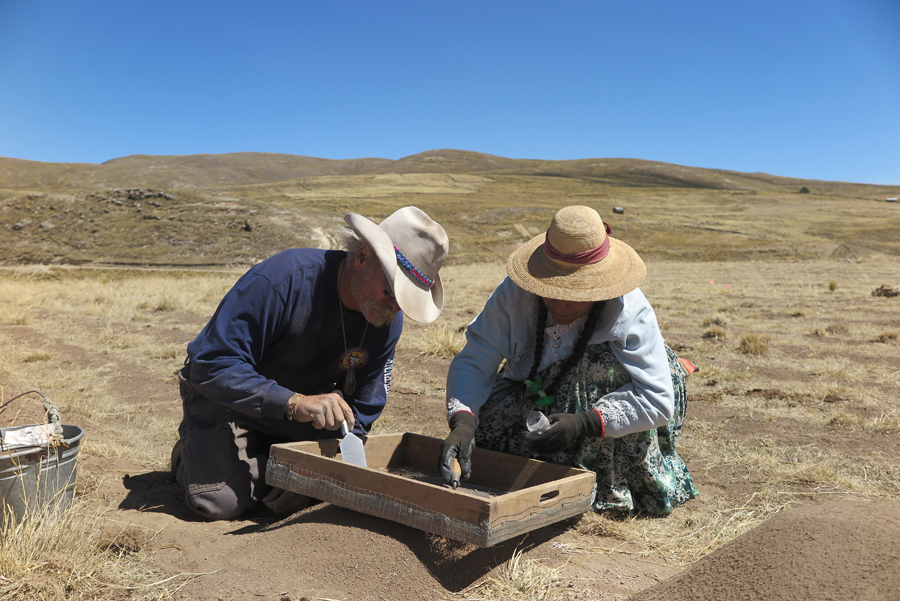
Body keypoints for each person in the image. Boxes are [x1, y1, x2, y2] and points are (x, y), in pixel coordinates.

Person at [173, 206, 449, 520]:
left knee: (318, 485)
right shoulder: (283, 280)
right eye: (390, 292)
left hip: (303, 411)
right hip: (226, 399)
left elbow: (367, 401)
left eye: (404, 301)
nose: (394, 308)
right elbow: (211, 364)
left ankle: (256, 459)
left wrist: (338, 456)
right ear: (362, 257)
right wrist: (293, 402)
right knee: (221, 501)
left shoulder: (386, 318)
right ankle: (194, 454)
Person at [439, 205, 697, 515]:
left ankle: (599, 481)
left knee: (595, 372)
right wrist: (464, 422)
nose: (560, 306)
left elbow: (656, 400)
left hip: (613, 392)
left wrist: (585, 422)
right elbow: (476, 358)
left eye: (573, 294)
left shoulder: (629, 310)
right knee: (493, 429)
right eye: (550, 290)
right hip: (540, 380)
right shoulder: (514, 294)